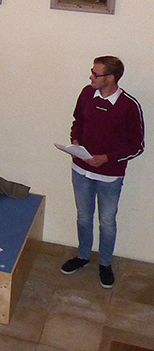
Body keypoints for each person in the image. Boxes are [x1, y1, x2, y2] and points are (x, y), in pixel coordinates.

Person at [60, 56, 144, 288]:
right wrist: (75, 142)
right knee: (83, 216)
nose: (91, 77)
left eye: (96, 74)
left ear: (110, 78)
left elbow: (137, 146)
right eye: (92, 72)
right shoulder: (87, 94)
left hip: (109, 177)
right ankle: (83, 256)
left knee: (107, 222)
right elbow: (78, 120)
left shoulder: (129, 106)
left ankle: (105, 263)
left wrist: (106, 159)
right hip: (80, 170)